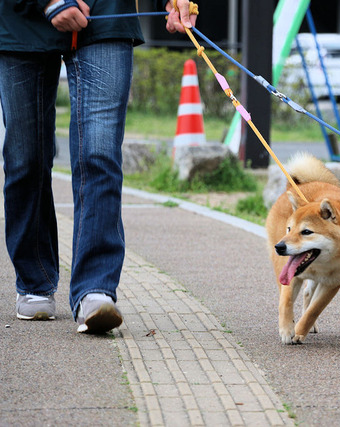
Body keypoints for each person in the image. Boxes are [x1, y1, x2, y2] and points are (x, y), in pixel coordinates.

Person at [0, 0, 197, 333]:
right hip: (22, 18)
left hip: (107, 13)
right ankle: (35, 280)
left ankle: (95, 288)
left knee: (99, 154)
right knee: (25, 160)